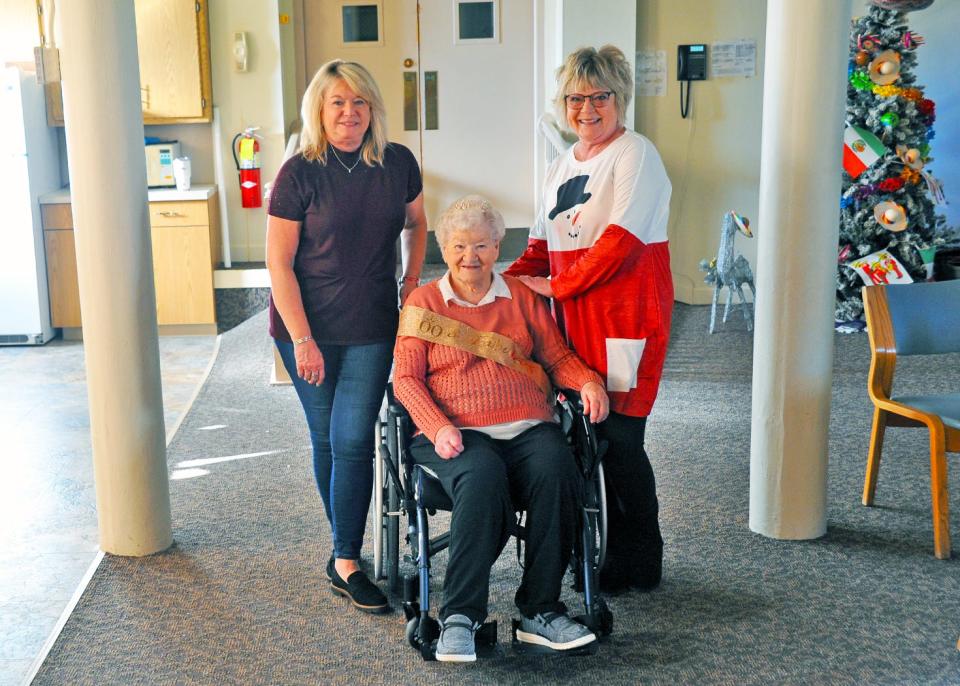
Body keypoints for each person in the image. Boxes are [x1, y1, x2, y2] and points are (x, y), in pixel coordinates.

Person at [393, 195, 610, 662]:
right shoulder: (424, 301)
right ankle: (459, 617)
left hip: (528, 424)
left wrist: (587, 382)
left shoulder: (520, 296)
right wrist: (435, 427)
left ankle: (540, 612)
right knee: (482, 475)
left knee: (558, 468)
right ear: (442, 247)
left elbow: (556, 358)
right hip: (456, 430)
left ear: (498, 247)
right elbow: (406, 380)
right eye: (458, 246)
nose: (470, 257)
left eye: (482, 246)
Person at [506, 45, 673, 594]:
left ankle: (641, 557)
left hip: (626, 318)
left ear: (619, 98)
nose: (586, 108)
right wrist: (487, 288)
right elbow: (537, 248)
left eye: (599, 96)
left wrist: (555, 286)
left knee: (621, 441)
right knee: (580, 437)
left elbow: (619, 245)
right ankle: (593, 550)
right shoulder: (562, 163)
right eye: (575, 98)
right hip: (572, 326)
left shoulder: (635, 154)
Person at [266, 59, 427, 614]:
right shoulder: (299, 173)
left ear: (372, 109)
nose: (349, 112)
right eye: (337, 102)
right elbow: (279, 265)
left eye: (359, 102)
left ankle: (345, 557)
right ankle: (346, 553)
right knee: (327, 438)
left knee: (353, 438)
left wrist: (410, 281)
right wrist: (303, 340)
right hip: (304, 328)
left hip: (371, 325)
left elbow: (416, 223)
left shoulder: (397, 163)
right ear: (319, 108)